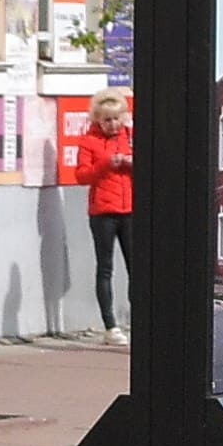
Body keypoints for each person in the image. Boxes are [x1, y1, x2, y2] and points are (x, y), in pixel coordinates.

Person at [68, 90, 136, 340]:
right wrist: (106, 163)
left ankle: (138, 321)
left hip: (130, 210)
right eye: (107, 120)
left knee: (136, 268)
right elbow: (81, 176)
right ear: (97, 119)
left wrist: (130, 162)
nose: (113, 124)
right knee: (105, 268)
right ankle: (110, 326)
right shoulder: (89, 142)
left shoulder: (130, 136)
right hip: (103, 213)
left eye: (117, 118)